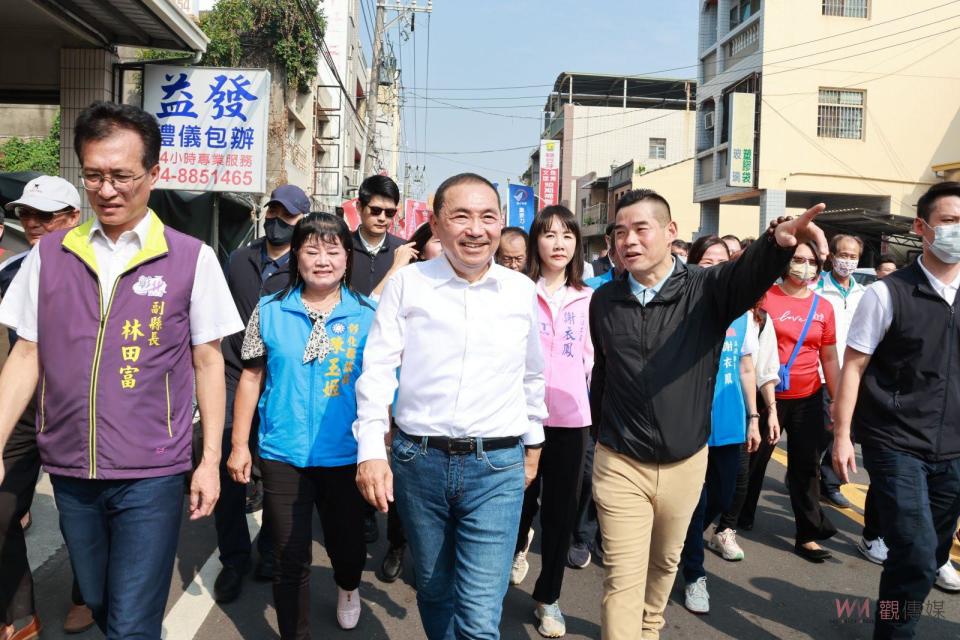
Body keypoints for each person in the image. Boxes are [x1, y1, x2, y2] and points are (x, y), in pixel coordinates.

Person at [0, 101, 242, 639]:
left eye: (121, 176)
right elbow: (25, 354)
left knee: (132, 622)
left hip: (151, 471)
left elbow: (208, 360)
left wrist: (209, 462)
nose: (106, 190)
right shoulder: (50, 255)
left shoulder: (191, 258)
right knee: (104, 601)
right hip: (69, 467)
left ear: (153, 175)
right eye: (93, 175)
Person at [588, 188, 827, 640]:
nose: (629, 241)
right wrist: (598, 436)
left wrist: (779, 241)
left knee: (664, 564)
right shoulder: (604, 301)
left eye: (641, 229)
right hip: (619, 461)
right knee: (623, 577)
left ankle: (651, 626)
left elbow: (747, 273)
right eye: (620, 232)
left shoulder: (706, 290)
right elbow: (604, 372)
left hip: (685, 461)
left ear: (670, 231)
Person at [354, 173, 547, 640]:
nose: (475, 229)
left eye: (487, 217)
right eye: (461, 216)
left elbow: (532, 374)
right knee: (435, 591)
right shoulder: (408, 286)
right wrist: (370, 451)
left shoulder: (520, 290)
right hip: (420, 462)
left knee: (481, 612)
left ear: (501, 224)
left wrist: (534, 444)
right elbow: (377, 370)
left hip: (497, 465)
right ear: (436, 225)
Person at [228, 213, 374, 637]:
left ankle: (349, 586)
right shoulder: (269, 310)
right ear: (296, 255)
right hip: (283, 453)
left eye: (333, 249)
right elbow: (251, 378)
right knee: (289, 558)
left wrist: (380, 449)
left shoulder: (369, 314)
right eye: (312, 250)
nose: (322, 259)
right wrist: (240, 445)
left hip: (346, 455)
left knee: (347, 548)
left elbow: (385, 387)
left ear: (347, 257)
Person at [833, 182, 960, 639]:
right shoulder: (887, 294)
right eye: (949, 222)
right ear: (921, 228)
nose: (957, 232)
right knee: (916, 547)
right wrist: (842, 434)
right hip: (895, 441)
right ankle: (894, 633)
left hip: (953, 448)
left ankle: (893, 613)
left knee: (932, 554)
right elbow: (854, 365)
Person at [0, 177, 92, 640]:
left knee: (80, 513)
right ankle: (20, 611)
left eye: (45, 215)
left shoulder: (98, 269)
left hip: (77, 409)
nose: (32, 224)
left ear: (74, 217)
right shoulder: (10, 271)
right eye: (24, 214)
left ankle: (85, 595)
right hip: (21, 406)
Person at [213, 184, 309, 602]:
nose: (275, 221)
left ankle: (270, 549)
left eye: (285, 217)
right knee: (228, 468)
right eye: (272, 212)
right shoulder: (239, 259)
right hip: (236, 375)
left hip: (282, 383)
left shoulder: (307, 265)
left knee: (276, 472)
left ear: (301, 221)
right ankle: (233, 558)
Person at [509, 206, 593, 637]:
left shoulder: (589, 298)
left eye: (567, 234)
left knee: (560, 515)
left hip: (571, 421)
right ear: (534, 243)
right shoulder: (517, 292)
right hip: (520, 419)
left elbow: (593, 363)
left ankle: (549, 597)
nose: (558, 242)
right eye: (549, 234)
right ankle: (515, 550)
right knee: (516, 503)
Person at [677, 236, 761, 615]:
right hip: (690, 423)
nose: (713, 266)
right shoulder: (682, 307)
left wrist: (756, 417)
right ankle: (695, 575)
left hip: (730, 422)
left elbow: (746, 367)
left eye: (721, 260)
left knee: (724, 497)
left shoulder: (742, 313)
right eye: (705, 260)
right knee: (694, 506)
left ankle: (680, 540)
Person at [743, 241, 841, 562]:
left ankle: (808, 534)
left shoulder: (823, 307)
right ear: (786, 262)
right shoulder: (764, 296)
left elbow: (828, 356)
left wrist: (838, 401)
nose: (805, 266)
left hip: (809, 396)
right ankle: (738, 516)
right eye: (798, 259)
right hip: (765, 393)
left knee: (805, 466)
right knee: (754, 459)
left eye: (811, 261)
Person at [369, 222, 443, 584]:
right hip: (404, 403)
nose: (445, 248)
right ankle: (397, 545)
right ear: (420, 247)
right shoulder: (406, 284)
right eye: (437, 242)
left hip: (448, 411)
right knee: (402, 479)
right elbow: (370, 318)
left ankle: (433, 555)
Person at [815, 234, 866, 511]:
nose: (847, 261)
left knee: (848, 429)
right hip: (821, 372)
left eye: (853, 256)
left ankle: (829, 482)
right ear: (832, 256)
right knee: (824, 429)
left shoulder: (865, 293)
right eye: (843, 255)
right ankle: (807, 472)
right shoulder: (816, 289)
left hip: (853, 374)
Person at [350, 175, 404, 298]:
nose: (382, 218)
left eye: (390, 212)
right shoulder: (340, 247)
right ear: (359, 207)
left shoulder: (403, 251)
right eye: (375, 210)